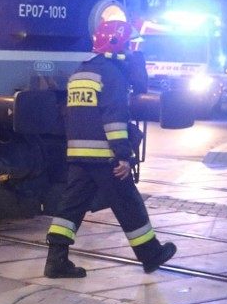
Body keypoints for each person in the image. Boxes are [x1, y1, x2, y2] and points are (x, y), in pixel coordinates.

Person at [43, 19, 176, 278]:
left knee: (70, 207)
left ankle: (55, 260)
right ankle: (151, 255)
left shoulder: (81, 71)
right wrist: (123, 156)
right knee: (129, 204)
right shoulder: (113, 74)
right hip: (105, 158)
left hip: (79, 156)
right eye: (129, 43)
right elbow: (114, 119)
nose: (132, 48)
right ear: (118, 44)